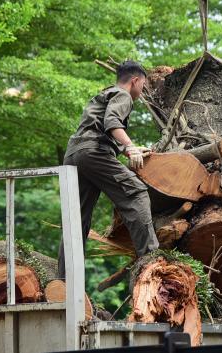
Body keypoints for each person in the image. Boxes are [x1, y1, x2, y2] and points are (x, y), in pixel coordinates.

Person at [58, 60, 159, 279]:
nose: (143, 90)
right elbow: (111, 121)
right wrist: (130, 148)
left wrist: (127, 149)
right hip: (93, 153)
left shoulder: (105, 94)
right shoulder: (123, 96)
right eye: (143, 84)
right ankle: (151, 263)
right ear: (135, 80)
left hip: (74, 155)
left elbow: (98, 127)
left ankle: (64, 283)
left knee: (77, 220)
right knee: (137, 193)